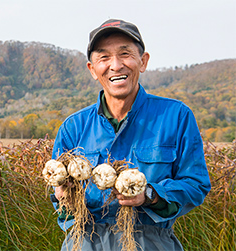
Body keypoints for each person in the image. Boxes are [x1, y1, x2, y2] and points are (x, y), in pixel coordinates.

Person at [51, 19, 211, 251]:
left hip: (151, 242)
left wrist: (149, 194)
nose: (115, 65)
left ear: (143, 61)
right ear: (92, 70)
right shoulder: (73, 127)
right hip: (84, 242)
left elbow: (196, 184)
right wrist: (63, 197)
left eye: (125, 54)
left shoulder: (175, 116)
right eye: (104, 57)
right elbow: (62, 206)